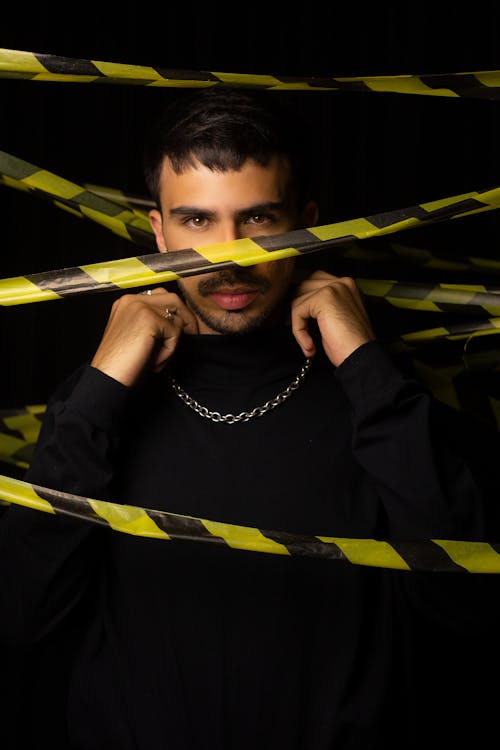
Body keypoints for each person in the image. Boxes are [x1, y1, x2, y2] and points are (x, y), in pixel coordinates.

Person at [0, 87, 498, 750]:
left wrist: (364, 361)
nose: (230, 254)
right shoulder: (99, 402)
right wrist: (101, 383)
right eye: (199, 222)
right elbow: (21, 615)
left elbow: (468, 606)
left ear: (308, 222)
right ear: (159, 232)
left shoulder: (379, 391)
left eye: (258, 219)